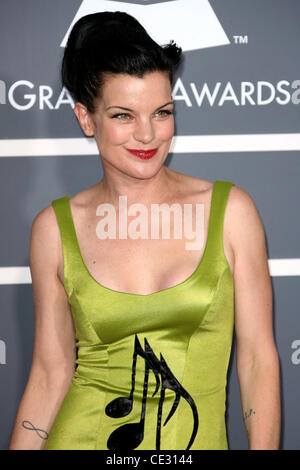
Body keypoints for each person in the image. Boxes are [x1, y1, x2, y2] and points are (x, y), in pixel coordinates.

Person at [9, 11, 280, 450]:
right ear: (85, 118)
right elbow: (49, 372)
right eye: (122, 115)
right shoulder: (54, 229)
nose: (148, 134)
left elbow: (256, 361)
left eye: (162, 111)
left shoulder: (230, 212)